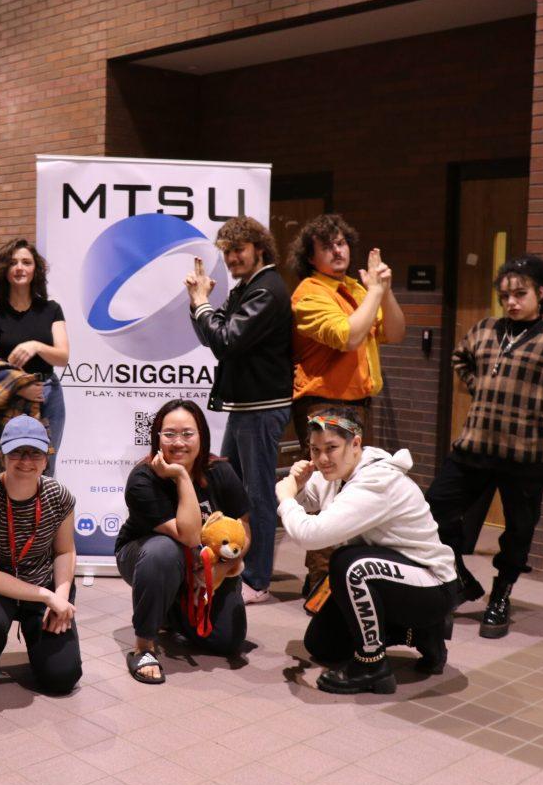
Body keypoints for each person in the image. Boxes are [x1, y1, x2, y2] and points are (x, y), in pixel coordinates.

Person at [426, 255, 543, 638]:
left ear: (540, 293)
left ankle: (501, 594)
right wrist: (479, 386)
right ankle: (460, 579)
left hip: (527, 453)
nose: (511, 302)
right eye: (505, 295)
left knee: (519, 530)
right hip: (475, 445)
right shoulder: (485, 329)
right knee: (432, 512)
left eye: (520, 293)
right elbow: (460, 357)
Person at [275, 407, 459, 695]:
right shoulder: (335, 473)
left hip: (431, 584)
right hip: (392, 577)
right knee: (322, 645)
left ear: (356, 444)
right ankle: (421, 633)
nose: (322, 458)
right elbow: (310, 499)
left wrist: (286, 499)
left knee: (348, 565)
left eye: (331, 448)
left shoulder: (376, 481)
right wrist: (297, 487)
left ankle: (372, 667)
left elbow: (311, 536)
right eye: (315, 449)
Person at [287, 214, 406, 596]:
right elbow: (348, 336)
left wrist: (383, 289)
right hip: (323, 404)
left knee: (348, 494)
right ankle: (320, 584)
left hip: (357, 404)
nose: (337, 250)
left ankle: (339, 580)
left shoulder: (358, 287)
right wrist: (373, 293)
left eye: (341, 243)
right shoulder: (309, 293)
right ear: (311, 256)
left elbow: (395, 331)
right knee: (325, 495)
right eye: (327, 245)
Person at [185, 216, 292, 604]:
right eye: (227, 252)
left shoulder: (267, 290)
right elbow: (214, 337)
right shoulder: (250, 287)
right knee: (230, 488)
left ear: (259, 248)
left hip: (262, 407)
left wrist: (201, 304)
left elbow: (225, 339)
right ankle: (237, 563)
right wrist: (199, 304)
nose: (231, 258)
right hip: (248, 405)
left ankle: (259, 578)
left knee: (257, 495)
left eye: (238, 250)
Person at [116, 399, 249, 684]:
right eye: (169, 434)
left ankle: (171, 608)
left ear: (202, 435)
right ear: (157, 438)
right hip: (146, 557)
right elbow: (188, 536)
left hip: (211, 565)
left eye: (188, 434)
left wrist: (223, 570)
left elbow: (244, 531)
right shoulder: (142, 479)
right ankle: (143, 647)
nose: (179, 442)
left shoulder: (220, 472)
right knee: (163, 551)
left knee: (226, 642)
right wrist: (180, 476)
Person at [0, 415, 81, 694]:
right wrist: (46, 595)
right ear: (3, 456)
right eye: (17, 452)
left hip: (44, 585)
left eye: (35, 452)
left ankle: (35, 635)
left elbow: (65, 550)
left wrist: (60, 595)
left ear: (46, 457)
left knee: (62, 678)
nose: (26, 461)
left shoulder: (59, 495)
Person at [0, 238, 68, 481]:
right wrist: (18, 385)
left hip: (48, 395)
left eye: (26, 262)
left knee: (44, 466)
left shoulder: (51, 309)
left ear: (36, 269)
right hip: (7, 397)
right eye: (13, 262)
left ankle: (39, 519)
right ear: (5, 270)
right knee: (2, 467)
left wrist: (36, 346)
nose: (20, 267)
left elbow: (63, 356)